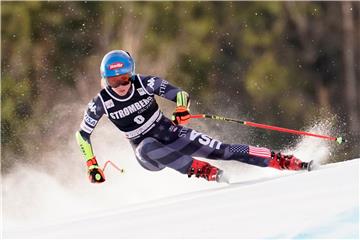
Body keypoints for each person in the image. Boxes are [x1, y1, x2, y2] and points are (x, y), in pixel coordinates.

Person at [75, 50, 311, 184]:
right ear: (105, 80)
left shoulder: (144, 83)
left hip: (171, 133)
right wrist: (91, 164)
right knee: (145, 147)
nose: (121, 86)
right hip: (149, 155)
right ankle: (202, 170)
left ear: (132, 74)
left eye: (125, 78)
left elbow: (179, 94)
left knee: (223, 150)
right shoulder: (100, 103)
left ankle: (283, 160)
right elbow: (82, 135)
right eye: (114, 81)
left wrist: (181, 109)